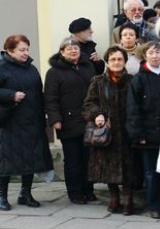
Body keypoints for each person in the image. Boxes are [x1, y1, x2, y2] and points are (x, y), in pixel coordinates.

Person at [0, 35, 54, 211]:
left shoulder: (31, 68)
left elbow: (39, 93)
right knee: (6, 161)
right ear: (9, 51)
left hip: (32, 121)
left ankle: (25, 194)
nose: (26, 53)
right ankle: (2, 196)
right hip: (10, 122)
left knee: (30, 158)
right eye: (21, 50)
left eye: (27, 49)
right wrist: (11, 95)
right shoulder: (2, 67)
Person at [82, 46, 135, 215]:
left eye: (120, 59)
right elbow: (88, 104)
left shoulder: (133, 80)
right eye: (113, 59)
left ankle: (128, 199)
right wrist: (96, 114)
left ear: (125, 61)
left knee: (129, 168)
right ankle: (114, 198)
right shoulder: (98, 81)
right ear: (107, 62)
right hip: (108, 132)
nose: (116, 62)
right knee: (108, 167)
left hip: (128, 131)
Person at [44, 38, 97, 205]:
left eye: (76, 48)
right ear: (61, 52)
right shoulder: (54, 72)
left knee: (88, 158)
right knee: (73, 159)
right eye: (69, 48)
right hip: (67, 121)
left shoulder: (88, 66)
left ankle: (88, 190)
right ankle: (75, 193)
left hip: (88, 119)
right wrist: (54, 119)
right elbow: (50, 98)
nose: (73, 51)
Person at [126, 42, 160, 219]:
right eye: (151, 53)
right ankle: (155, 205)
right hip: (148, 134)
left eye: (158, 52)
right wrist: (138, 134)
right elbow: (133, 109)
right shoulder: (139, 78)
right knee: (151, 173)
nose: (155, 56)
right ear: (145, 55)